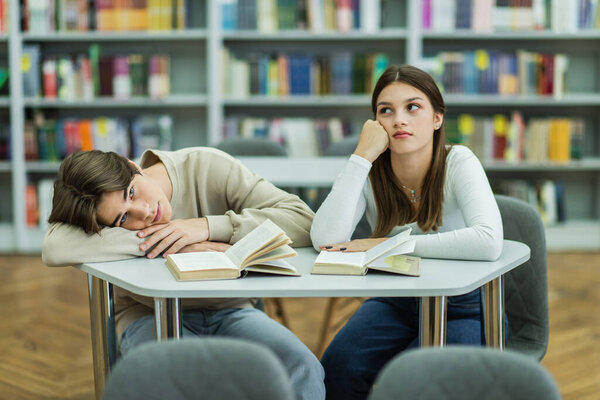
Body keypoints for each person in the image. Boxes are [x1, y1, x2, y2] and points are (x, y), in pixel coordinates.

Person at [42, 146, 325, 400]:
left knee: (303, 366)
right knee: (186, 379)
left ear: (132, 165)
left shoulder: (206, 167)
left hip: (232, 310)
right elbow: (54, 248)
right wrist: (168, 241)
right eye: (123, 218)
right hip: (145, 315)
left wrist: (206, 227)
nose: (143, 212)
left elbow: (302, 219)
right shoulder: (100, 211)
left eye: (131, 192)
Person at [310, 64, 503, 400]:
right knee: (338, 367)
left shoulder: (459, 161)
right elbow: (325, 239)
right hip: (395, 300)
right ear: (375, 125)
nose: (399, 119)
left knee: (414, 380)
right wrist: (361, 156)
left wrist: (391, 245)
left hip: (462, 305)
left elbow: (488, 242)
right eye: (386, 111)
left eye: (413, 107)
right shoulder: (370, 172)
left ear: (437, 118)